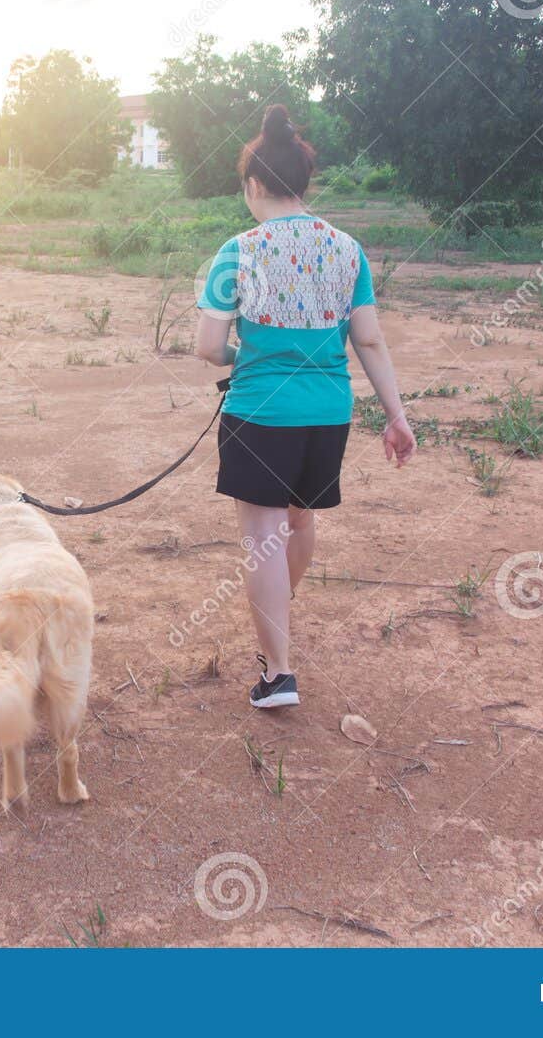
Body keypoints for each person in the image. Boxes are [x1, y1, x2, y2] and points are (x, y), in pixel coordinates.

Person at [195, 103, 416, 709]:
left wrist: (243, 356)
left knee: (263, 533)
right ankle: (277, 637)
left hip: (261, 412)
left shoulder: (235, 252)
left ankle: (278, 672)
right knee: (299, 520)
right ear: (303, 181)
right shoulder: (349, 250)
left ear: (255, 184)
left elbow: (209, 346)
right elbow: (368, 338)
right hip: (328, 413)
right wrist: (397, 416)